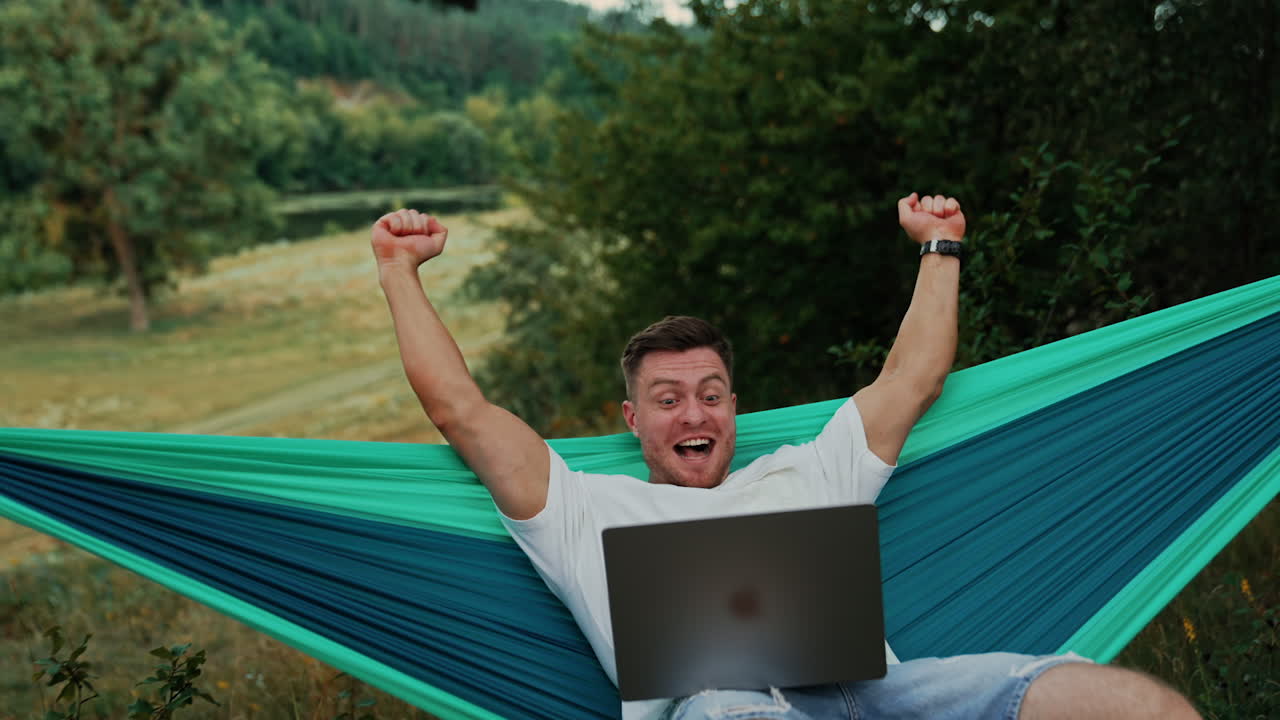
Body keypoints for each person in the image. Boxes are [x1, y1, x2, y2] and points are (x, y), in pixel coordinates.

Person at [371, 194, 1199, 720]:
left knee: (1116, 701)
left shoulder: (811, 468)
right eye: (668, 400)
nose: (693, 413)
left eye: (712, 393)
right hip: (717, 710)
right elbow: (462, 409)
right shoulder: (581, 508)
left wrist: (941, 245)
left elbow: (913, 377)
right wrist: (400, 270)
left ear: (735, 408)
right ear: (631, 419)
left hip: (877, 694)